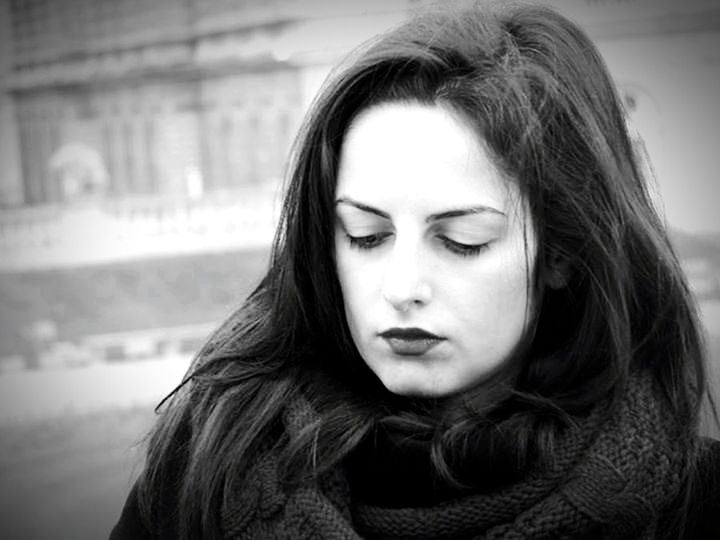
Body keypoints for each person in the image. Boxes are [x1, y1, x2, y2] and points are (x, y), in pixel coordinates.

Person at [110, 1, 720, 538]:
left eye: (460, 241)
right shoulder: (212, 466)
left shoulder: (692, 503)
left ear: (561, 252)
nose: (401, 289)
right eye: (366, 236)